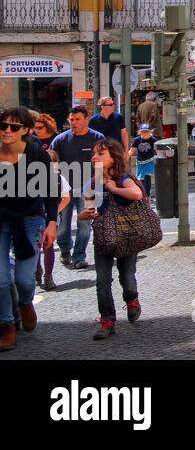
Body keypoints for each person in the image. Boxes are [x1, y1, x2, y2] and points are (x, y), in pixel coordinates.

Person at [0, 107, 59, 351]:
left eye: (13, 127)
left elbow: (50, 189)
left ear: (25, 130)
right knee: (1, 279)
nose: (6, 131)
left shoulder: (36, 153)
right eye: (3, 126)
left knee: (25, 280)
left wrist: (52, 222)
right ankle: (6, 326)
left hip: (30, 218)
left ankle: (25, 302)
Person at [82, 139, 145, 341]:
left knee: (127, 277)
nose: (94, 157)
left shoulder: (122, 178)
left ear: (113, 157)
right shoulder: (92, 182)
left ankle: (131, 298)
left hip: (127, 235)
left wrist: (114, 188)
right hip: (103, 236)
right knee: (102, 281)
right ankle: (107, 320)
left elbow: (136, 194)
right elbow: (85, 210)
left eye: (100, 154)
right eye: (93, 154)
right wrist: (86, 214)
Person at [50, 106, 105, 270]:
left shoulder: (97, 138)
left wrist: (100, 183)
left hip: (89, 189)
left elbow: (103, 162)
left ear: (86, 119)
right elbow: (52, 162)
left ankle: (79, 256)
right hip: (65, 189)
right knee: (63, 224)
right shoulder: (60, 140)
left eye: (77, 119)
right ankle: (65, 250)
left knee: (84, 225)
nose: (73, 122)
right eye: (71, 120)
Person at [30, 113, 66, 291]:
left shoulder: (57, 177)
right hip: (36, 214)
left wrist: (54, 214)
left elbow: (65, 196)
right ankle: (37, 271)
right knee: (36, 246)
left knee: (48, 246)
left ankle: (48, 276)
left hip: (50, 215)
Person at [130, 126, 157, 201]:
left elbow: (157, 150)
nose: (144, 133)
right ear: (140, 132)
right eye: (143, 132)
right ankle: (143, 195)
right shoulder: (137, 140)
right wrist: (124, 157)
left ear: (150, 132)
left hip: (149, 161)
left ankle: (147, 196)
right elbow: (132, 150)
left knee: (147, 178)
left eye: (146, 131)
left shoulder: (153, 140)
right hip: (140, 163)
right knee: (140, 179)